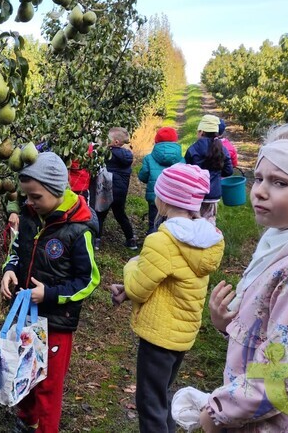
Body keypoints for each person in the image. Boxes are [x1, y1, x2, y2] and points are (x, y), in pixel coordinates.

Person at [199, 124, 288, 432]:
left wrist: (218, 413)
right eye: (260, 178)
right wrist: (231, 324)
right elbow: (286, 336)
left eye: (280, 183)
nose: (260, 190)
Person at [110, 163, 225, 433]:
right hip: (182, 333)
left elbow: (140, 287)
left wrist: (132, 264)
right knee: (161, 394)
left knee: (149, 402)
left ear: (163, 200)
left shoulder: (162, 241)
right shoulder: (206, 238)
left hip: (159, 335)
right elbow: (169, 280)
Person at [0, 152, 100, 433]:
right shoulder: (31, 215)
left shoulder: (78, 230)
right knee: (25, 367)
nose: (29, 202)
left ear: (56, 191)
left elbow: (89, 280)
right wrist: (10, 268)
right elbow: (17, 249)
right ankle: (27, 417)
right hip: (25, 314)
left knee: (49, 384)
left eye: (35, 197)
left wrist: (51, 294)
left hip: (55, 321)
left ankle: (46, 428)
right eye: (27, 197)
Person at [184, 114, 233, 225]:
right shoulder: (222, 149)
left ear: (201, 132)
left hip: (195, 193)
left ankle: (193, 241)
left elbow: (187, 170)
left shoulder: (193, 149)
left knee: (194, 220)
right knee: (209, 220)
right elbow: (228, 171)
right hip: (213, 193)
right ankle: (210, 239)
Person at [96, 127, 137, 250]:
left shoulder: (108, 154)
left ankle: (96, 241)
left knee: (100, 214)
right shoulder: (127, 155)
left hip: (107, 190)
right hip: (121, 192)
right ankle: (131, 240)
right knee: (120, 214)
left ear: (115, 142)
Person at [138, 127, 184, 234]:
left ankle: (151, 242)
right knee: (171, 224)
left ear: (156, 140)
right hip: (175, 198)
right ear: (175, 140)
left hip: (155, 196)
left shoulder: (149, 158)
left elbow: (143, 176)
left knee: (154, 222)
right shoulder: (182, 159)